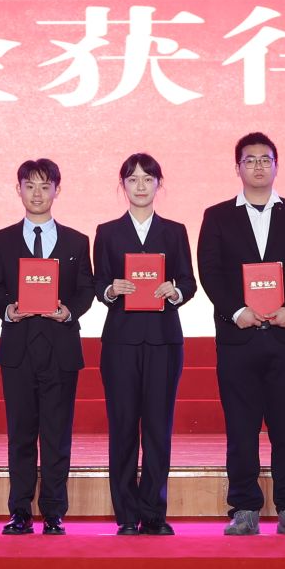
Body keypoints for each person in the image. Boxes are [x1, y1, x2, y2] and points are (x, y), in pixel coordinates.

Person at [196, 132, 285, 536]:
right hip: (239, 339)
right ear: (237, 168)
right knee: (241, 427)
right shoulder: (217, 216)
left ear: (276, 165)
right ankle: (244, 507)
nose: (258, 166)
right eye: (249, 160)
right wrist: (236, 312)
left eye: (265, 159)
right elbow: (210, 271)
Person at [0, 158, 96, 536]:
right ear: (18, 189)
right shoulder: (0, 240)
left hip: (60, 351)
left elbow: (86, 288)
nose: (37, 194)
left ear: (57, 190)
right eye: (29, 186)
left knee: (56, 435)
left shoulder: (76, 241)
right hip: (18, 350)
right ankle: (19, 511)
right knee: (20, 435)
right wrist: (7, 308)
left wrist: (70, 311)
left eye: (44, 186)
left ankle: (53, 511)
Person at [90, 153, 195, 536]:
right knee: (122, 427)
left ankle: (154, 513)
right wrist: (110, 289)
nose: (140, 186)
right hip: (121, 340)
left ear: (158, 185)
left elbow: (189, 281)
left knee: (157, 428)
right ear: (122, 186)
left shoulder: (175, 232)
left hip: (164, 340)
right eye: (132, 179)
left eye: (147, 179)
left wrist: (174, 290)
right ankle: (126, 515)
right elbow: (97, 282)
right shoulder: (107, 232)